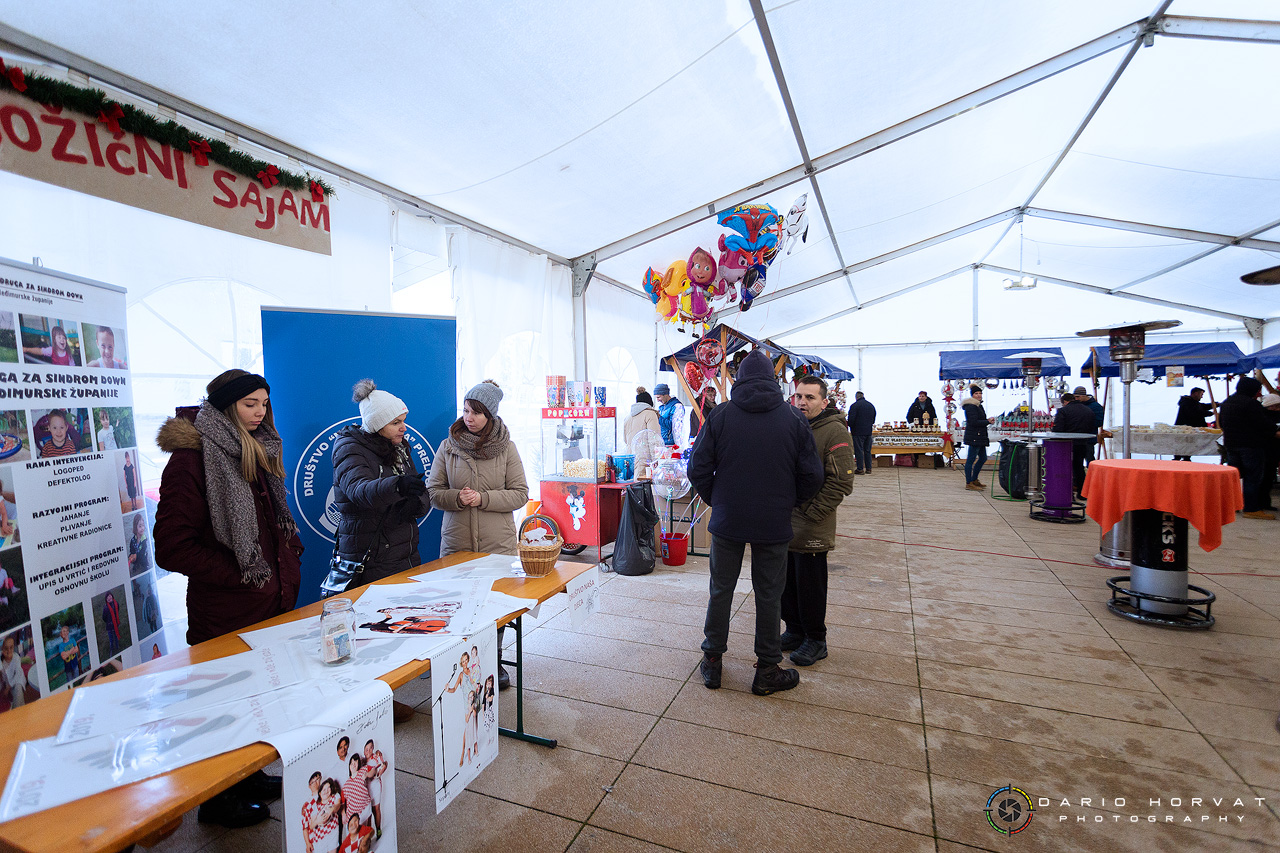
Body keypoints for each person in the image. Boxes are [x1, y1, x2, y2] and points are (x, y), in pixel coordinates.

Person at [153, 368, 302, 827]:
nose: (259, 414)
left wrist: (288, 553)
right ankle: (217, 801)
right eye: (248, 405)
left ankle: (249, 774)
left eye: (263, 404)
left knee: (258, 698)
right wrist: (240, 577)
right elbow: (171, 546)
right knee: (223, 707)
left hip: (265, 604)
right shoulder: (192, 460)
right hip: (225, 610)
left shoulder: (256, 449)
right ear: (224, 406)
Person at [688, 349, 823, 696]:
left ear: (739, 380)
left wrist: (718, 500)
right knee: (769, 594)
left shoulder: (720, 416)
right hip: (773, 523)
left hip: (728, 520)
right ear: (775, 382)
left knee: (720, 590)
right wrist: (788, 502)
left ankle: (713, 663)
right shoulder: (793, 419)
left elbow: (697, 468)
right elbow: (812, 475)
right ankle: (767, 668)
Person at [428, 380, 528, 691]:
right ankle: (456, 662)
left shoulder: (507, 447)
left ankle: (492, 660)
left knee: (494, 607)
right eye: (466, 410)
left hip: (497, 544)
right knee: (457, 605)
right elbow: (434, 492)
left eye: (476, 412)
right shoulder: (448, 446)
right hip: (457, 542)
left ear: (491, 415)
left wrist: (483, 499)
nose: (469, 417)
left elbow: (520, 494)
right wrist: (458, 497)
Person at [781, 376, 854, 667]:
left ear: (824, 402)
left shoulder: (835, 431)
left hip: (812, 525)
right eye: (798, 396)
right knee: (787, 583)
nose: (802, 402)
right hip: (785, 522)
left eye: (809, 398)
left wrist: (811, 514)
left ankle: (816, 638)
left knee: (810, 584)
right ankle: (795, 630)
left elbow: (841, 483)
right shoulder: (792, 426)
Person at [333, 380, 431, 587]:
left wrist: (416, 503)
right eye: (395, 423)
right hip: (371, 556)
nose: (403, 428)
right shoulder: (350, 448)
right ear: (376, 424)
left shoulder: (399, 447)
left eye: (403, 421)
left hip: (405, 554)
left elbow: (417, 487)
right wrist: (397, 486)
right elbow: (358, 490)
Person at [1219, 376, 1280, 520]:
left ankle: (1233, 506)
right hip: (1250, 446)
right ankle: (1251, 508)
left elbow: (1221, 422)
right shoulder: (1250, 404)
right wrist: (1274, 431)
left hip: (1231, 445)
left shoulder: (1227, 402)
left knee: (1234, 477)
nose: (1259, 394)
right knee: (1252, 477)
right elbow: (1262, 424)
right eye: (1258, 390)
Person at [1053, 391, 1097, 498]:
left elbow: (1058, 429)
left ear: (1065, 402)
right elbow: (1092, 427)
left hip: (1066, 444)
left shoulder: (1063, 411)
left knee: (1066, 468)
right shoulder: (1088, 410)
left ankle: (1068, 494)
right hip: (1082, 443)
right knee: (1079, 468)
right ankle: (1082, 493)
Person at [961, 386, 993, 491]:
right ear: (972, 395)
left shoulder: (978, 405)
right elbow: (973, 422)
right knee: (971, 459)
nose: (979, 395)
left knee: (983, 458)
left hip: (980, 436)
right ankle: (968, 482)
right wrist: (987, 421)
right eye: (976, 393)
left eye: (980, 393)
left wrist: (987, 421)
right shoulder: (971, 406)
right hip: (975, 435)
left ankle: (974, 479)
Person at [1173, 387, 1215, 461]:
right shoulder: (1187, 403)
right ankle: (1180, 460)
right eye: (1201, 394)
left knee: (1188, 447)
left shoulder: (1193, 402)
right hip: (1185, 429)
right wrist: (1211, 413)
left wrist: (1215, 405)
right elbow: (1196, 413)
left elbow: (1203, 406)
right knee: (1183, 446)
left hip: (1189, 430)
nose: (1202, 397)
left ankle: (1185, 458)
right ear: (1195, 393)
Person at [846, 391, 876, 475]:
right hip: (868, 431)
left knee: (859, 450)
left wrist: (851, 427)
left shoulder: (854, 406)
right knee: (867, 450)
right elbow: (873, 420)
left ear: (856, 397)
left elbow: (851, 420)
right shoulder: (870, 405)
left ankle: (860, 468)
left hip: (858, 432)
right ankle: (869, 468)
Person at [1, 634, 30, 709]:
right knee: (20, 701)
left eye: (11, 648)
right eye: (6, 648)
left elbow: (17, 674)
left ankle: (15, 710)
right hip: (8, 684)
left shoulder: (16, 657)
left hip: (18, 680)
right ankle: (21, 710)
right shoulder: (2, 662)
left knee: (18, 689)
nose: (9, 651)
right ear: (2, 650)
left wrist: (8, 687)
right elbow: (3, 677)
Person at [1262, 393, 1280, 512]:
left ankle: (1265, 502)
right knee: (1266, 477)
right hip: (1268, 450)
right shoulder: (1267, 417)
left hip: (1272, 450)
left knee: (1268, 477)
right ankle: (1264, 502)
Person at [101, 591, 121, 656]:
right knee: (111, 639)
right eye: (107, 597)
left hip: (115, 624)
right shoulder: (106, 608)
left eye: (110, 596)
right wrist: (109, 622)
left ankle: (117, 647)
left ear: (112, 596)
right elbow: (104, 617)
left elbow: (118, 610)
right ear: (106, 600)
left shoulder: (116, 603)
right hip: (109, 626)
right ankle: (112, 650)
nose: (109, 598)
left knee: (116, 636)